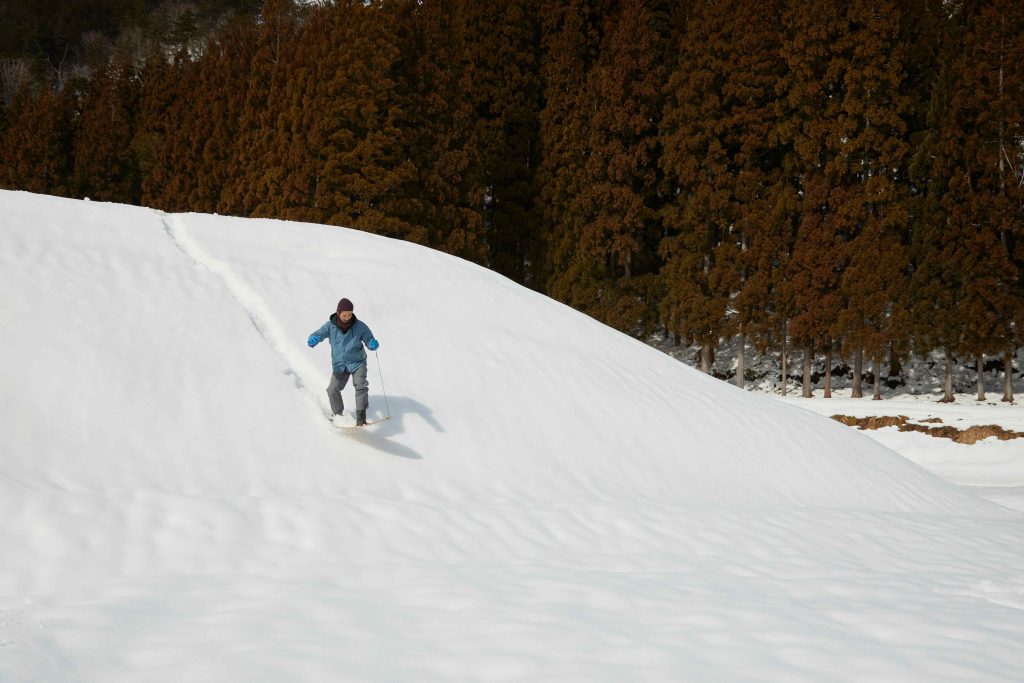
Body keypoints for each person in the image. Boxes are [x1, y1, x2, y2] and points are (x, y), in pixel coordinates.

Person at [307, 298, 379, 426]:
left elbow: (368, 337)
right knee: (332, 389)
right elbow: (320, 333)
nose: (347, 317)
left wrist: (371, 343)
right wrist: (314, 338)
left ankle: (361, 418)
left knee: (360, 385)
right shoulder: (330, 326)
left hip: (358, 362)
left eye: (349, 314)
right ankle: (337, 415)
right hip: (340, 365)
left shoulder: (360, 326)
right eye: (344, 315)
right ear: (338, 313)